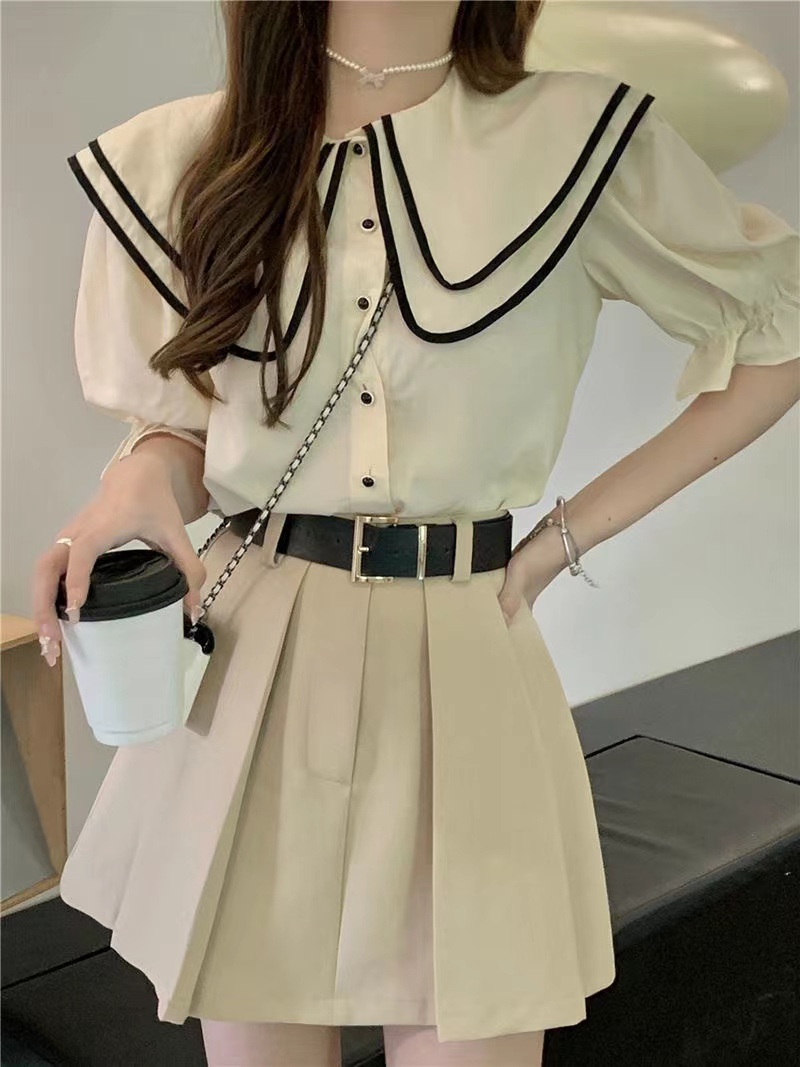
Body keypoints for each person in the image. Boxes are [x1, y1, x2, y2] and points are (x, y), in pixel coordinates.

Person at [32, 1, 799, 1065]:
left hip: (465, 656)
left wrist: (560, 540)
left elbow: (777, 328)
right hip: (256, 659)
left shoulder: (577, 138)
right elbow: (188, 432)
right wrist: (135, 481)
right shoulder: (178, 162)